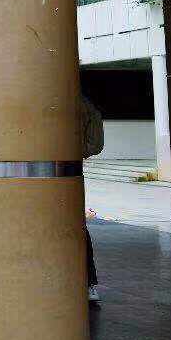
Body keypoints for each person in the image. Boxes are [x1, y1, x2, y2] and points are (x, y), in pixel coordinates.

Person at [80, 91, 104, 303]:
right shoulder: (84, 104)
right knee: (77, 228)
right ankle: (89, 283)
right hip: (69, 173)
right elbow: (95, 144)